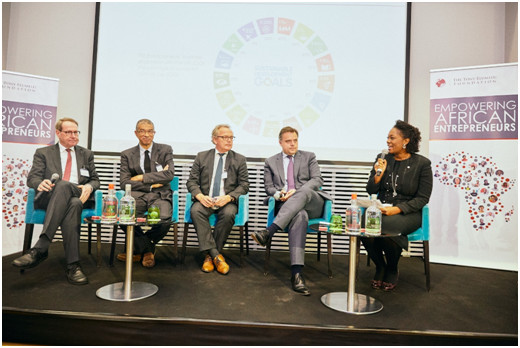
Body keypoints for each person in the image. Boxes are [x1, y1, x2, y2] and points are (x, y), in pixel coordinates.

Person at [12, 118, 100, 285]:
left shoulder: (86, 154)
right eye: (68, 132)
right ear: (58, 133)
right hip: (51, 197)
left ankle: (41, 248)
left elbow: (96, 180)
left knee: (68, 191)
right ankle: (73, 266)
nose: (73, 136)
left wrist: (89, 186)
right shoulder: (43, 153)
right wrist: (40, 183)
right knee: (70, 198)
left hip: (79, 192)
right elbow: (33, 178)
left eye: (76, 132)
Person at [251, 126, 331, 296]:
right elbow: (269, 188)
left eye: (295, 140)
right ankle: (297, 274)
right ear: (280, 142)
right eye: (288, 141)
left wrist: (299, 191)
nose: (293, 144)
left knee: (305, 192)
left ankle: (269, 231)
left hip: (312, 202)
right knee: (300, 215)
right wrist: (279, 194)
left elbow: (317, 179)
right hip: (286, 204)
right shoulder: (271, 162)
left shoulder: (309, 156)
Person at [362, 120, 432, 291]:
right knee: (364, 226)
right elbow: (370, 189)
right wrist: (378, 175)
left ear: (406, 141)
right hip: (382, 207)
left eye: (392, 138)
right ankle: (380, 266)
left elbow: (423, 198)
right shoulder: (383, 158)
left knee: (387, 226)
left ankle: (392, 268)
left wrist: (397, 209)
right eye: (387, 138)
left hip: (408, 212)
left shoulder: (422, 164)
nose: (388, 141)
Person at [186, 124, 249, 275]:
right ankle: (216, 256)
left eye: (231, 137)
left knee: (228, 215)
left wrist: (228, 197)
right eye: (224, 137)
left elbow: (245, 185)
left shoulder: (239, 159)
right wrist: (200, 196)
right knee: (195, 211)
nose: (229, 140)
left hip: (226, 201)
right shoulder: (202, 156)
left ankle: (209, 257)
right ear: (215, 139)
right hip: (206, 199)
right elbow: (191, 182)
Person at [118, 119, 175, 268]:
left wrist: (142, 177)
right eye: (142, 131)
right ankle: (148, 250)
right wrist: (151, 184)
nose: (146, 135)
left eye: (150, 131)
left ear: (154, 133)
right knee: (124, 218)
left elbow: (169, 175)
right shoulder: (127, 154)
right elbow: (124, 183)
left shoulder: (165, 150)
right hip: (138, 196)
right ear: (136, 133)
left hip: (161, 194)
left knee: (164, 220)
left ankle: (140, 248)